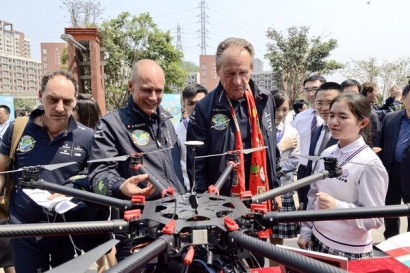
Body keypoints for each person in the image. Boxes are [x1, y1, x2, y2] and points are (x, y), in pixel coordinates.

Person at [88, 59, 186, 261]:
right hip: (139, 231)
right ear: (131, 86)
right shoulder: (110, 126)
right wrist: (119, 186)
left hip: (178, 222)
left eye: (159, 91)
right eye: (146, 90)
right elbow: (97, 176)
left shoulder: (166, 120)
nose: (153, 97)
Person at [0, 70, 94, 272]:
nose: (60, 108)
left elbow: (95, 176)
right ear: (40, 95)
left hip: (67, 229)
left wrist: (73, 188)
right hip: (25, 229)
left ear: (75, 101)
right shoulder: (17, 129)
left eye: (67, 101)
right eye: (53, 99)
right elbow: (1, 172)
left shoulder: (87, 137)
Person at [186, 37, 282, 206]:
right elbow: (196, 163)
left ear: (251, 69)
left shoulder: (265, 100)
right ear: (218, 70)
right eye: (230, 74)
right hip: (221, 199)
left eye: (243, 73)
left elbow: (272, 148)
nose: (237, 81)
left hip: (261, 193)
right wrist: (201, 203)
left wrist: (276, 187)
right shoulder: (204, 108)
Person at [297, 93, 388, 260]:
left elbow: (374, 219)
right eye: (331, 115)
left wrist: (337, 207)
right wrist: (307, 230)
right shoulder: (327, 153)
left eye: (343, 116)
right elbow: (313, 194)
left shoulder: (369, 164)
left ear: (363, 122)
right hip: (318, 239)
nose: (333, 121)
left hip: (349, 250)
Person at [72, 93, 116, 272]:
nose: (70, 112)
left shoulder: (96, 138)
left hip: (94, 198)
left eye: (74, 109)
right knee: (94, 240)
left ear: (83, 113)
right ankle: (101, 267)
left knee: (104, 238)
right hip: (81, 198)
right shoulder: (75, 135)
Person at [270, 90, 299, 265]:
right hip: (262, 189)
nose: (280, 114)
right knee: (256, 236)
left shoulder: (292, 132)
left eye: (284, 109)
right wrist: (281, 147)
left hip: (283, 187)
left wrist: (274, 170)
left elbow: (295, 161)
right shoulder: (258, 128)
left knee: (277, 239)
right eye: (276, 109)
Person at [379, 84, 410, 239]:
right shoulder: (390, 118)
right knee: (390, 209)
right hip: (391, 170)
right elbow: (381, 143)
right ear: (403, 98)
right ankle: (391, 240)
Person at [293, 75, 326, 209]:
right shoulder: (300, 118)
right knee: (304, 204)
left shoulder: (332, 116)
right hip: (304, 168)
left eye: (315, 89)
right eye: (307, 90)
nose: (311, 93)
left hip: (325, 169)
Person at [304, 82, 342, 182]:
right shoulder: (317, 130)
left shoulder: (346, 135)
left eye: (330, 103)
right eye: (319, 103)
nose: (324, 108)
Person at [174, 83, 208, 191]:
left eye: (200, 103)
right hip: (185, 191)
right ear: (183, 105)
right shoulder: (174, 131)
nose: (195, 107)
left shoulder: (215, 130)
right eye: (190, 103)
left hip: (212, 190)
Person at [342, 79, 381, 150]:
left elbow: (375, 142)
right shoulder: (334, 114)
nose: (350, 96)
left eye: (354, 93)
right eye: (347, 93)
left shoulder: (370, 115)